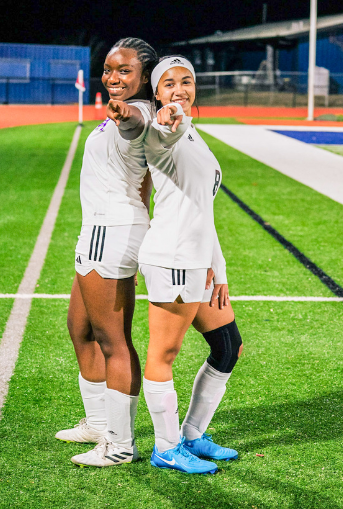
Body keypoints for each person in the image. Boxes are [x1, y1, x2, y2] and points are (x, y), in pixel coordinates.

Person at [138, 55, 245, 475]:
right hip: (173, 256)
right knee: (164, 353)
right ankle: (165, 448)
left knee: (228, 347)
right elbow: (166, 131)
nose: (179, 89)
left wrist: (218, 267)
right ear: (156, 92)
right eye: (169, 83)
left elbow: (204, 209)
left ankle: (193, 435)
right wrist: (169, 119)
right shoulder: (162, 130)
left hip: (198, 259)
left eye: (186, 81)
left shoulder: (193, 133)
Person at [54, 38, 158, 468]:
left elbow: (133, 122)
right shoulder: (130, 112)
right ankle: (98, 422)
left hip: (110, 231)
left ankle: (119, 445)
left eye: (124, 71)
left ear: (145, 78)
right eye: (109, 69)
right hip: (106, 231)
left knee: (114, 341)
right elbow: (146, 180)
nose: (113, 78)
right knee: (80, 328)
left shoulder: (140, 113)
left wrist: (125, 113)